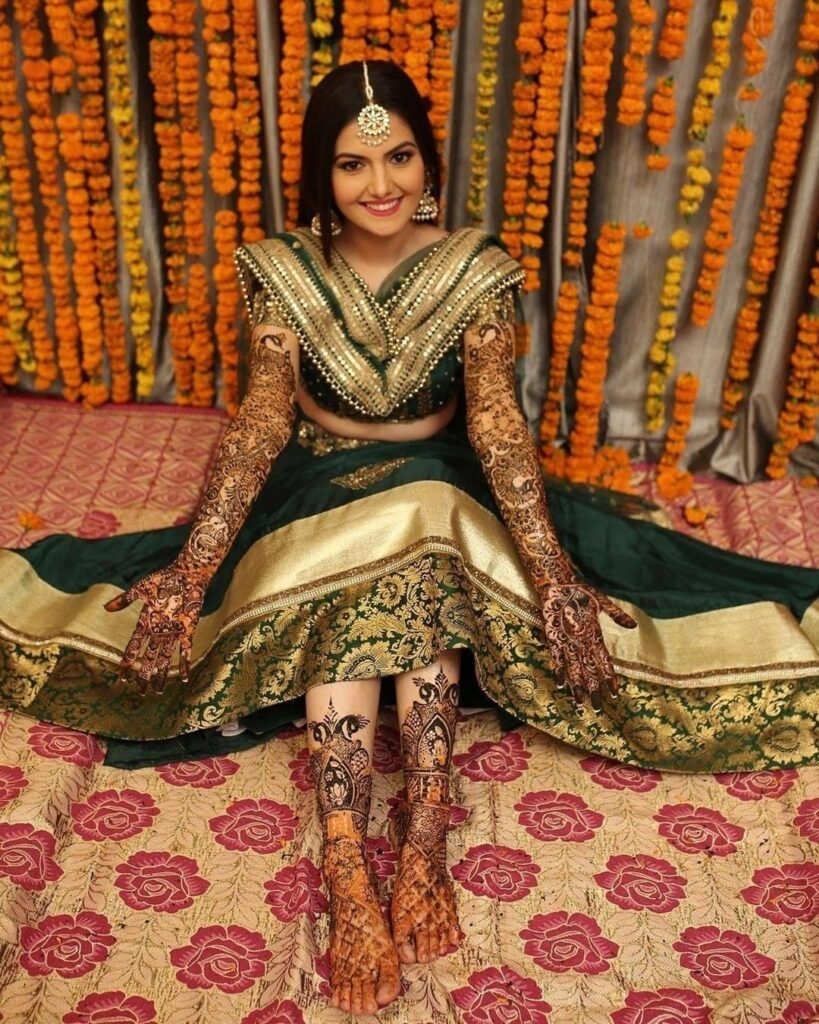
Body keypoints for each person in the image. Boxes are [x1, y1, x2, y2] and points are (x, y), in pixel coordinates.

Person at [1, 58, 818, 1018]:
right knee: (385, 538)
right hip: (314, 483)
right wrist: (190, 570)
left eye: (399, 158)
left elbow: (499, 428)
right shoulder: (284, 270)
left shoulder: (473, 268)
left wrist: (552, 578)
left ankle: (424, 836)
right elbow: (262, 424)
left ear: (429, 163)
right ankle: (351, 868)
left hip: (449, 483)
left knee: (426, 513)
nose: (380, 185)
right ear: (321, 174)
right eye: (352, 164)